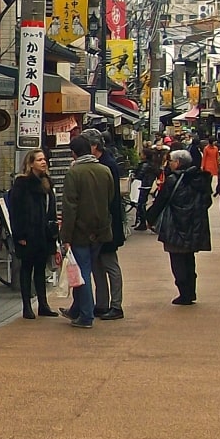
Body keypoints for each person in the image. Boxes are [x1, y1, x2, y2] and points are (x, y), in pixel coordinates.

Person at [59, 133, 116, 328]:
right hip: (100, 230)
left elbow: (69, 207)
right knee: (87, 269)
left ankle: (86, 315)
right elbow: (110, 198)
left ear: (74, 153)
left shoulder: (74, 173)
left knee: (80, 272)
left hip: (79, 232)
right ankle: (78, 309)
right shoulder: (104, 170)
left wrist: (65, 236)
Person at [153, 147, 212, 304]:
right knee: (189, 259)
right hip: (195, 226)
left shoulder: (173, 180)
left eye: (171, 161)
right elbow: (207, 202)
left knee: (177, 260)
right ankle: (190, 291)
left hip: (175, 226)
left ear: (178, 163)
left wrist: (149, 218)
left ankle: (184, 293)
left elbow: (161, 201)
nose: (169, 164)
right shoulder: (201, 179)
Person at [6, 150, 60, 319]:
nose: (43, 162)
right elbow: (16, 211)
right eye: (39, 160)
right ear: (30, 164)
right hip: (28, 233)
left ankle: (43, 304)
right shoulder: (22, 184)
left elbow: (51, 208)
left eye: (44, 159)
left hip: (44, 233)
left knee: (40, 269)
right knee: (26, 268)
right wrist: (19, 235)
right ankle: (27, 306)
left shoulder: (47, 183)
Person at [88, 131, 127, 319]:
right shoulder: (104, 163)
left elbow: (108, 199)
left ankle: (116, 305)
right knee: (97, 264)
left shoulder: (107, 165)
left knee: (110, 264)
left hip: (107, 223)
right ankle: (101, 303)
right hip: (102, 223)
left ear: (94, 147)